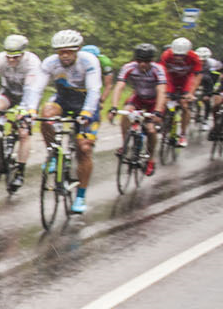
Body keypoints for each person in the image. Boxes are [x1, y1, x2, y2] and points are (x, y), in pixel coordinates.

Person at [37, 30, 103, 212]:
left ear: (78, 50)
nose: (64, 55)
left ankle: (80, 197)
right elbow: (37, 88)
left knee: (84, 148)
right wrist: (28, 109)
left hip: (86, 105)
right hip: (64, 101)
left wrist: (87, 113)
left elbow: (94, 90)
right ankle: (53, 154)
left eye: (69, 51)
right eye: (60, 52)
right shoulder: (50, 63)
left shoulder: (89, 61)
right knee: (46, 113)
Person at [0, 33, 45, 192]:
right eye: (9, 57)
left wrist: (25, 110)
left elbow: (31, 90)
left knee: (24, 132)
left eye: (15, 57)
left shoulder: (32, 63)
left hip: (28, 94)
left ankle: (20, 171)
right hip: (9, 92)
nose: (11, 61)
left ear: (23, 54)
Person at [106, 44, 167, 175]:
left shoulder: (158, 69)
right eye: (139, 61)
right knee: (126, 112)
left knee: (150, 129)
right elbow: (119, 87)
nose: (143, 64)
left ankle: (151, 159)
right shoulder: (128, 67)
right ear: (135, 60)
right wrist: (114, 107)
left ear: (152, 60)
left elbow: (162, 91)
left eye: (146, 62)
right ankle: (125, 145)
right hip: (138, 98)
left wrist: (157, 111)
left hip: (154, 101)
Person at [158, 37, 203, 148]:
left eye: (181, 55)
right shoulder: (166, 55)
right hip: (171, 79)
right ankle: (164, 122)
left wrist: (191, 93)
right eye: (176, 55)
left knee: (184, 105)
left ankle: (182, 134)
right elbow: (162, 73)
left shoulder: (194, 57)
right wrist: (165, 92)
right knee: (165, 101)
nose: (178, 57)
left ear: (187, 52)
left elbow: (197, 76)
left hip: (186, 80)